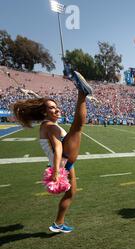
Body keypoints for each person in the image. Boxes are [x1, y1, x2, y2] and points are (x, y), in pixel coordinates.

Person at [10, 71, 93, 233]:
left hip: (64, 163)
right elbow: (58, 147)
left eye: (56, 107)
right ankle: (82, 93)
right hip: (62, 160)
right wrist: (56, 170)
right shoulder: (49, 126)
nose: (56, 110)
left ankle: (58, 223)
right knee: (77, 128)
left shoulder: (48, 125)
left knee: (71, 194)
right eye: (51, 108)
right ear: (44, 113)